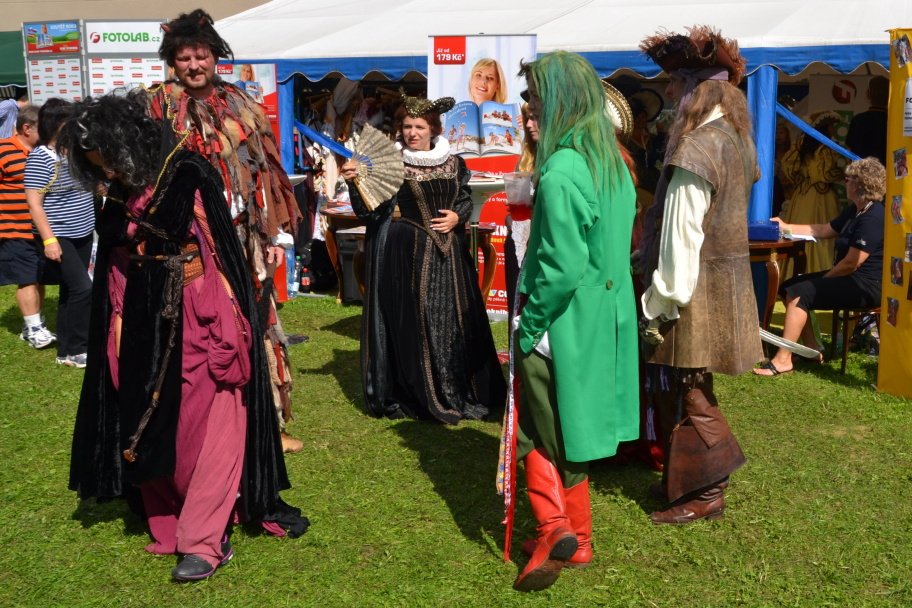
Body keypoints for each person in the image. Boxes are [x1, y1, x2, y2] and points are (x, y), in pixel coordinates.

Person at [64, 92, 308, 582]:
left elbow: (216, 253)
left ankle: (204, 539)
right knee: (152, 424)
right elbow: (115, 255)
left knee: (208, 423)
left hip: (197, 309)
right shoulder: (116, 187)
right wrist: (115, 316)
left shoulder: (186, 171)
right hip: (137, 315)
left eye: (109, 160)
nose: (106, 173)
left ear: (126, 144)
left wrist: (225, 323)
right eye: (97, 166)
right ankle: (179, 518)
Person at [504, 52, 639, 592]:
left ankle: (554, 526)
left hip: (561, 322)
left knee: (533, 432)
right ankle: (577, 541)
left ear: (560, 100)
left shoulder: (561, 169)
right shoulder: (611, 161)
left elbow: (559, 269)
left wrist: (529, 325)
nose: (528, 113)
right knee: (572, 433)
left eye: (534, 101)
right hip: (603, 322)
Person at [150, 9, 304, 453]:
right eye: (184, 58)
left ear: (216, 56)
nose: (194, 65)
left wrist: (275, 238)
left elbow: (266, 175)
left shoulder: (242, 105)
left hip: (243, 238)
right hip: (185, 244)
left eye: (201, 56)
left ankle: (266, 424)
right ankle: (200, 429)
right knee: (195, 334)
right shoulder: (157, 107)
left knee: (255, 324)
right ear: (172, 61)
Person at [638, 25, 760, 525]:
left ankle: (709, 488)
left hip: (693, 288)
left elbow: (681, 235)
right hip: (725, 282)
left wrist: (660, 300)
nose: (669, 92)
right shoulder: (737, 140)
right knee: (694, 385)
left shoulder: (697, 148)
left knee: (690, 388)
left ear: (697, 88)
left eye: (676, 83)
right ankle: (692, 481)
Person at [340, 94, 506, 424]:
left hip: (451, 253)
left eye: (419, 126)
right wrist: (356, 182)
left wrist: (457, 219)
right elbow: (370, 210)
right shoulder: (390, 161)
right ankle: (426, 391)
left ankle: (460, 387)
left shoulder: (454, 163)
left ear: (433, 128)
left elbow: (462, 199)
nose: (412, 132)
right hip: (407, 252)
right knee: (418, 318)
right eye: (406, 126)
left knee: (456, 316)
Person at [753, 157, 885, 376]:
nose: (844, 183)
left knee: (800, 293)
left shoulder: (873, 216)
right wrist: (786, 226)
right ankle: (811, 349)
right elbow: (823, 230)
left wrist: (823, 280)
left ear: (859, 185)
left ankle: (783, 359)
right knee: (790, 286)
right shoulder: (856, 210)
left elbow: (853, 262)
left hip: (866, 286)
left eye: (847, 179)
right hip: (850, 276)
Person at [24, 98, 95, 368]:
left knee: (70, 291)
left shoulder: (74, 152)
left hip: (83, 232)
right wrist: (50, 240)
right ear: (56, 124)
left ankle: (66, 351)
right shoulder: (41, 158)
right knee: (83, 289)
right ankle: (78, 348)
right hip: (59, 235)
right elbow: (34, 203)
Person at [0, 104, 54, 348]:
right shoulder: (3, 150)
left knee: (38, 277)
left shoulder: (42, 152)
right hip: (12, 227)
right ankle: (34, 329)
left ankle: (33, 324)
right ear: (26, 128)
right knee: (26, 278)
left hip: (38, 229)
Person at [780, 111, 845, 275]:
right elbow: (824, 174)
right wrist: (841, 173)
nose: (832, 129)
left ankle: (796, 273)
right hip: (821, 196)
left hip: (802, 196)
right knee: (821, 233)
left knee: (799, 232)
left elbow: (789, 169)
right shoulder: (826, 149)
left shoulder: (801, 146)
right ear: (824, 128)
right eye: (830, 126)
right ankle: (819, 272)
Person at [846, 76, 888, 165]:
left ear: (868, 94)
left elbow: (849, 152)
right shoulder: (894, 123)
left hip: (861, 174)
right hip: (886, 175)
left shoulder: (857, 120)